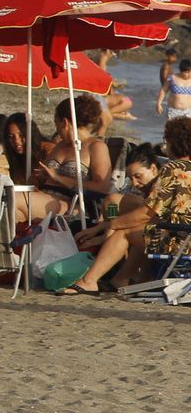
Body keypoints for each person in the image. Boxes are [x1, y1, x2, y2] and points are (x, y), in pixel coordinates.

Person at [65, 121, 191, 295]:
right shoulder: (134, 187)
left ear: (153, 168)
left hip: (181, 239)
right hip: (176, 231)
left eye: (138, 176)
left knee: (127, 225)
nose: (135, 182)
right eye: (131, 178)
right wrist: (106, 224)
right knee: (115, 205)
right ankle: (123, 277)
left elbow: (147, 213)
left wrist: (111, 226)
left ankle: (92, 280)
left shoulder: (172, 170)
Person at [34, 94, 111, 212]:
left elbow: (102, 187)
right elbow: (42, 174)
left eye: (56, 124)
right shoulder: (60, 146)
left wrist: (58, 178)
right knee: (10, 198)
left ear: (65, 123)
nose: (57, 130)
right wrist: (38, 178)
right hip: (44, 197)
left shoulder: (96, 146)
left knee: (15, 201)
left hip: (70, 204)